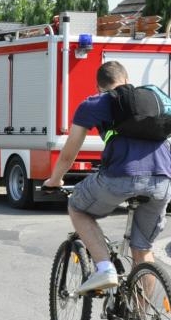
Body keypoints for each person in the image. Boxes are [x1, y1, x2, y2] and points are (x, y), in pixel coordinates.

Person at [43, 61, 171, 294]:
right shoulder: (152, 101)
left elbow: (69, 154)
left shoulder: (95, 103)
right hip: (162, 178)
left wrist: (55, 180)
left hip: (120, 176)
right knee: (143, 250)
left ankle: (105, 268)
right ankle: (142, 315)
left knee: (77, 207)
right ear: (127, 80)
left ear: (98, 86)